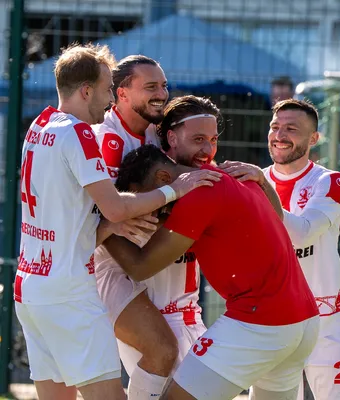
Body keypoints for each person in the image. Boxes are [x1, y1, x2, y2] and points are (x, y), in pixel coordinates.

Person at [15, 44, 221, 400]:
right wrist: (174, 190)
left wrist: (109, 223)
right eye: (108, 89)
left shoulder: (40, 125)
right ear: (87, 91)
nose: (109, 99)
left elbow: (82, 215)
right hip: (74, 285)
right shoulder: (84, 134)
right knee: (126, 381)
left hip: (31, 282)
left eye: (163, 85)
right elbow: (114, 209)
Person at [103, 144, 320, 400]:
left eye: (146, 200)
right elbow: (275, 217)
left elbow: (141, 266)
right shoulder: (235, 176)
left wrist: (104, 223)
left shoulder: (198, 194)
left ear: (163, 178)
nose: (148, 208)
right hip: (305, 320)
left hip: (260, 321)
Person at [93, 56, 223, 399]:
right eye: (150, 86)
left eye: (164, 85)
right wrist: (167, 196)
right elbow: (107, 213)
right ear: (121, 93)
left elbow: (188, 168)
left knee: (181, 377)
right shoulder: (106, 139)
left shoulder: (157, 130)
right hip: (112, 264)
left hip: (155, 266)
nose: (162, 94)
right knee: (161, 353)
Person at [220, 98, 340, 399]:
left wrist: (262, 187)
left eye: (291, 129)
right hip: (275, 320)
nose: (280, 135)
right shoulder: (251, 181)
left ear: (314, 138)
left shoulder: (330, 181)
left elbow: (302, 234)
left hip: (326, 319)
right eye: (275, 127)